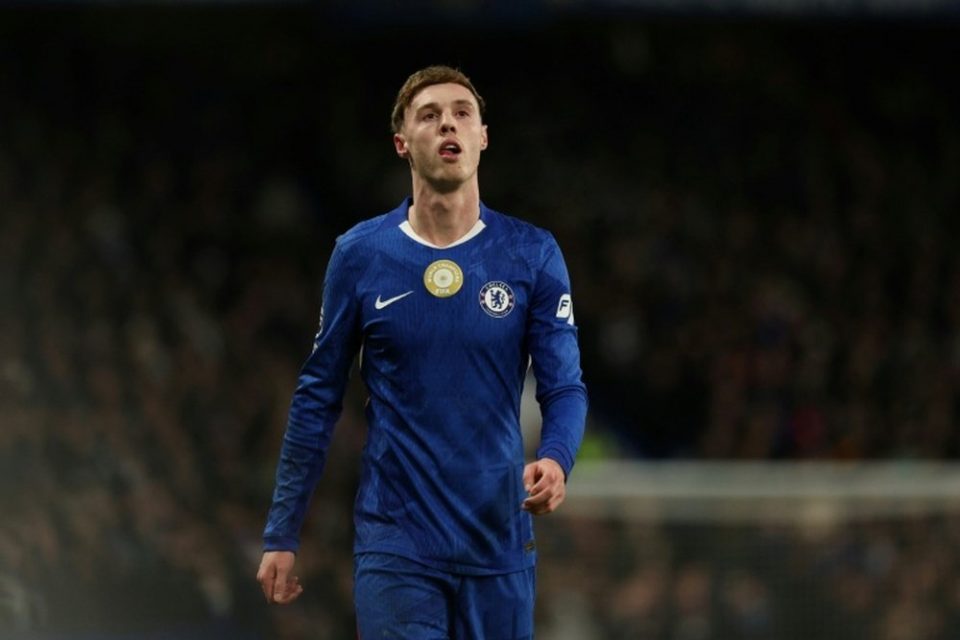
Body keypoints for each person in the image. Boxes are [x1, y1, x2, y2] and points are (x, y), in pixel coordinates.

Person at [256, 64, 588, 639]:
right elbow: (316, 398)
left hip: (497, 540)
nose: (448, 124)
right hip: (397, 543)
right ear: (402, 143)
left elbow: (564, 387)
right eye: (429, 116)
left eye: (462, 113)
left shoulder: (531, 254)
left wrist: (557, 459)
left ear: (483, 136)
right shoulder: (360, 255)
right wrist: (283, 531)